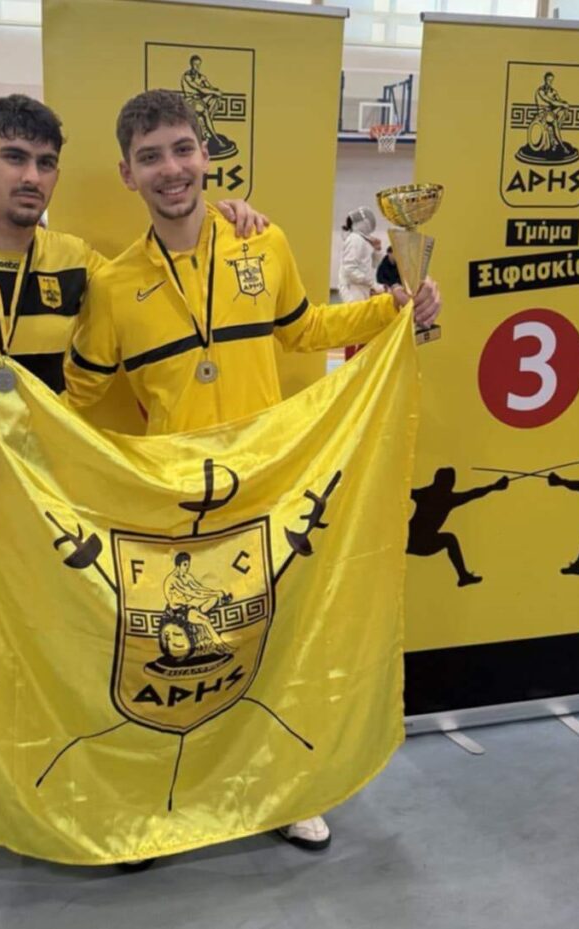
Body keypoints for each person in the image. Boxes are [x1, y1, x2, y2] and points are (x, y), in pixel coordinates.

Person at [0, 94, 267, 928]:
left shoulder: (82, 266)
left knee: (64, 659)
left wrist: (234, 220)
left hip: (53, 505)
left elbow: (154, 292)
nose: (30, 177)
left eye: (43, 164)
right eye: (13, 158)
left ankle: (76, 805)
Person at [64, 89, 441, 850]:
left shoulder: (260, 244)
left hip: (267, 485)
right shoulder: (111, 284)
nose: (171, 168)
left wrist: (393, 307)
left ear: (205, 156)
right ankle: (165, 800)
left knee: (270, 646)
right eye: (150, 157)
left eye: (182, 149)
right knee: (174, 660)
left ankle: (282, 792)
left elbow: (304, 329)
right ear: (128, 174)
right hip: (172, 501)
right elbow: (77, 393)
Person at [407, 468, 509, 586]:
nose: (452, 484)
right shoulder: (445, 498)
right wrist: (493, 487)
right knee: (449, 539)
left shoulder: (428, 493)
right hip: (417, 542)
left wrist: (493, 487)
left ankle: (463, 576)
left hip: (413, 540)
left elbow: (472, 494)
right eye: (451, 481)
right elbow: (472, 494)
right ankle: (463, 576)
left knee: (449, 539)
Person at [337, 206, 382, 304]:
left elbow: (373, 265)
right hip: (353, 290)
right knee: (356, 314)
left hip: (361, 288)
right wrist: (372, 283)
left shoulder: (361, 240)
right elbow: (350, 269)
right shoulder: (355, 239)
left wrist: (377, 249)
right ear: (363, 222)